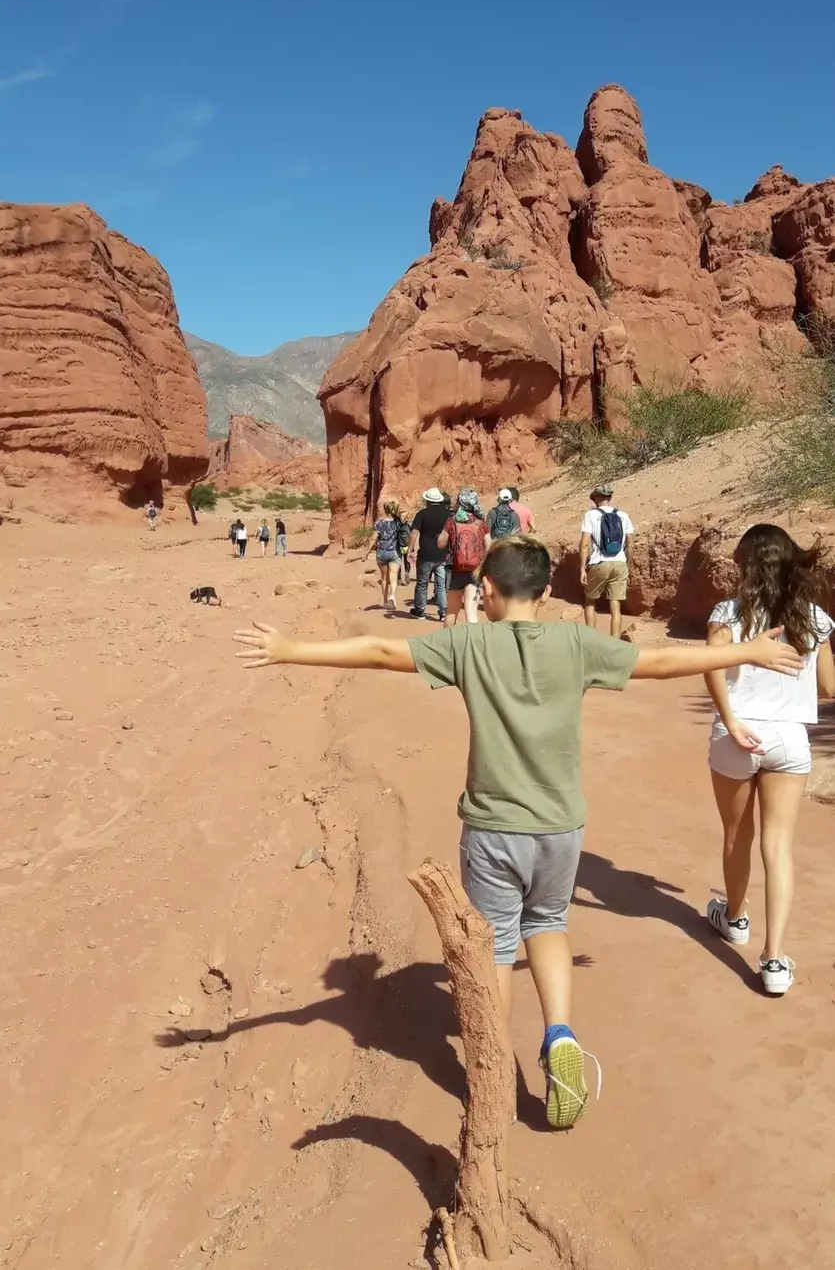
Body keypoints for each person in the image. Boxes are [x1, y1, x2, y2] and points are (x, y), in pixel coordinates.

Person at [234, 537, 803, 1129]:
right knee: (549, 925)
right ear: (548, 593)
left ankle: (495, 1074)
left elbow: (380, 651)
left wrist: (288, 649)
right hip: (561, 825)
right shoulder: (576, 642)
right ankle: (559, 1036)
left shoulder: (469, 643)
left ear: (486, 591)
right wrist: (749, 652)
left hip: (493, 828)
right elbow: (658, 664)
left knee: (497, 947)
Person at [704, 524, 835, 995]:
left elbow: (713, 669)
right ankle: (775, 959)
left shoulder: (728, 613)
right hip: (790, 739)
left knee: (737, 835)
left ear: (746, 564)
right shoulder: (816, 619)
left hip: (738, 732)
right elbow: (828, 687)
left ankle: (735, 919)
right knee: (778, 846)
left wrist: (733, 722)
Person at [579, 484, 635, 640]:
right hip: (620, 563)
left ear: (596, 498)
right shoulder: (623, 515)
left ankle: (591, 639)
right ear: (610, 498)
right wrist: (627, 565)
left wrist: (582, 568)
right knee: (615, 604)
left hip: (599, 562)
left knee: (590, 601)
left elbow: (584, 544)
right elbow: (631, 544)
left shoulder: (590, 515)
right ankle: (615, 642)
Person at [437, 490, 490, 628]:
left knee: (451, 612)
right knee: (471, 612)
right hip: (475, 570)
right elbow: (489, 546)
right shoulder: (481, 523)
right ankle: (472, 645)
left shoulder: (451, 521)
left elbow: (440, 543)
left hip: (455, 569)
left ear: (460, 502)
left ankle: (448, 642)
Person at [408, 487, 449, 621]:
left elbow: (414, 532)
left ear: (427, 500)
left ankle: (420, 611)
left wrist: (410, 549)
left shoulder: (422, 514)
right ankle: (443, 611)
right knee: (441, 584)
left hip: (425, 554)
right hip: (442, 555)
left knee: (422, 583)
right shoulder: (447, 514)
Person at [366, 499, 402, 611]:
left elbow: (373, 538)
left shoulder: (379, 523)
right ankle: (392, 595)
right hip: (395, 552)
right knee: (394, 576)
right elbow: (406, 512)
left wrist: (366, 552)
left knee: (384, 578)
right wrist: (396, 508)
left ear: (385, 510)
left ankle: (386, 601)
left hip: (382, 552)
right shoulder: (398, 522)